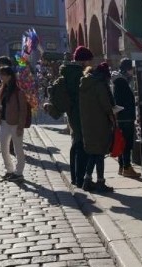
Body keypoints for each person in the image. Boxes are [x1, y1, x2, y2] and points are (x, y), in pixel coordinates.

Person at [57, 46, 93, 187]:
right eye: (89, 60)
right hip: (80, 112)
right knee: (81, 146)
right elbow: (82, 95)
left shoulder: (68, 71)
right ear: (83, 60)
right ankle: (80, 179)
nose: (90, 63)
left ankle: (74, 177)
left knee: (75, 144)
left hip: (72, 112)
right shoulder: (77, 74)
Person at [79, 61, 115, 192]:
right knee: (99, 154)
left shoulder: (85, 83)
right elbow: (106, 104)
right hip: (100, 123)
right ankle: (100, 182)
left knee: (93, 154)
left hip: (88, 123)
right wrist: (112, 115)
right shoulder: (99, 85)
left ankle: (87, 181)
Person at [0, 66, 28, 182]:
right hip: (3, 122)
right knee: (4, 148)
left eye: (3, 75)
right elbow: (5, 106)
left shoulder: (18, 91)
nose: (0, 77)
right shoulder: (2, 89)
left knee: (18, 149)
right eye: (0, 74)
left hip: (15, 124)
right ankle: (10, 170)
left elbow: (23, 110)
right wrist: (0, 108)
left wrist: (20, 126)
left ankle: (19, 173)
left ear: (9, 76)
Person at [112, 58, 139, 178]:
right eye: (132, 69)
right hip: (125, 117)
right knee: (126, 143)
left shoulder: (119, 80)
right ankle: (127, 167)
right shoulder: (121, 82)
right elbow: (120, 101)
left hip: (123, 117)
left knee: (122, 142)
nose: (133, 72)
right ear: (128, 69)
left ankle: (122, 166)